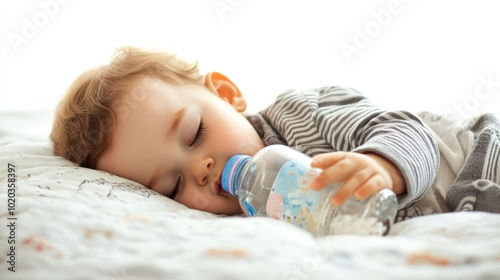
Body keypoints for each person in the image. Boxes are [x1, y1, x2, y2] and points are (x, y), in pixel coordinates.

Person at [50, 47, 500, 221]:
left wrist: (382, 166)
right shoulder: (239, 220)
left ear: (227, 95)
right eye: (172, 185)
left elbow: (408, 130)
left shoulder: (301, 113)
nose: (202, 168)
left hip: (477, 159)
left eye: (194, 132)